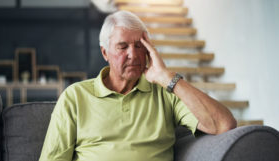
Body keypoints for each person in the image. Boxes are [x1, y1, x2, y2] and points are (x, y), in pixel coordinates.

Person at [39, 11, 236, 161]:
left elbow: (223, 124)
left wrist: (167, 77)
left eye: (139, 46)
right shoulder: (75, 97)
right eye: (123, 46)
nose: (133, 54)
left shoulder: (166, 93)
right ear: (105, 53)